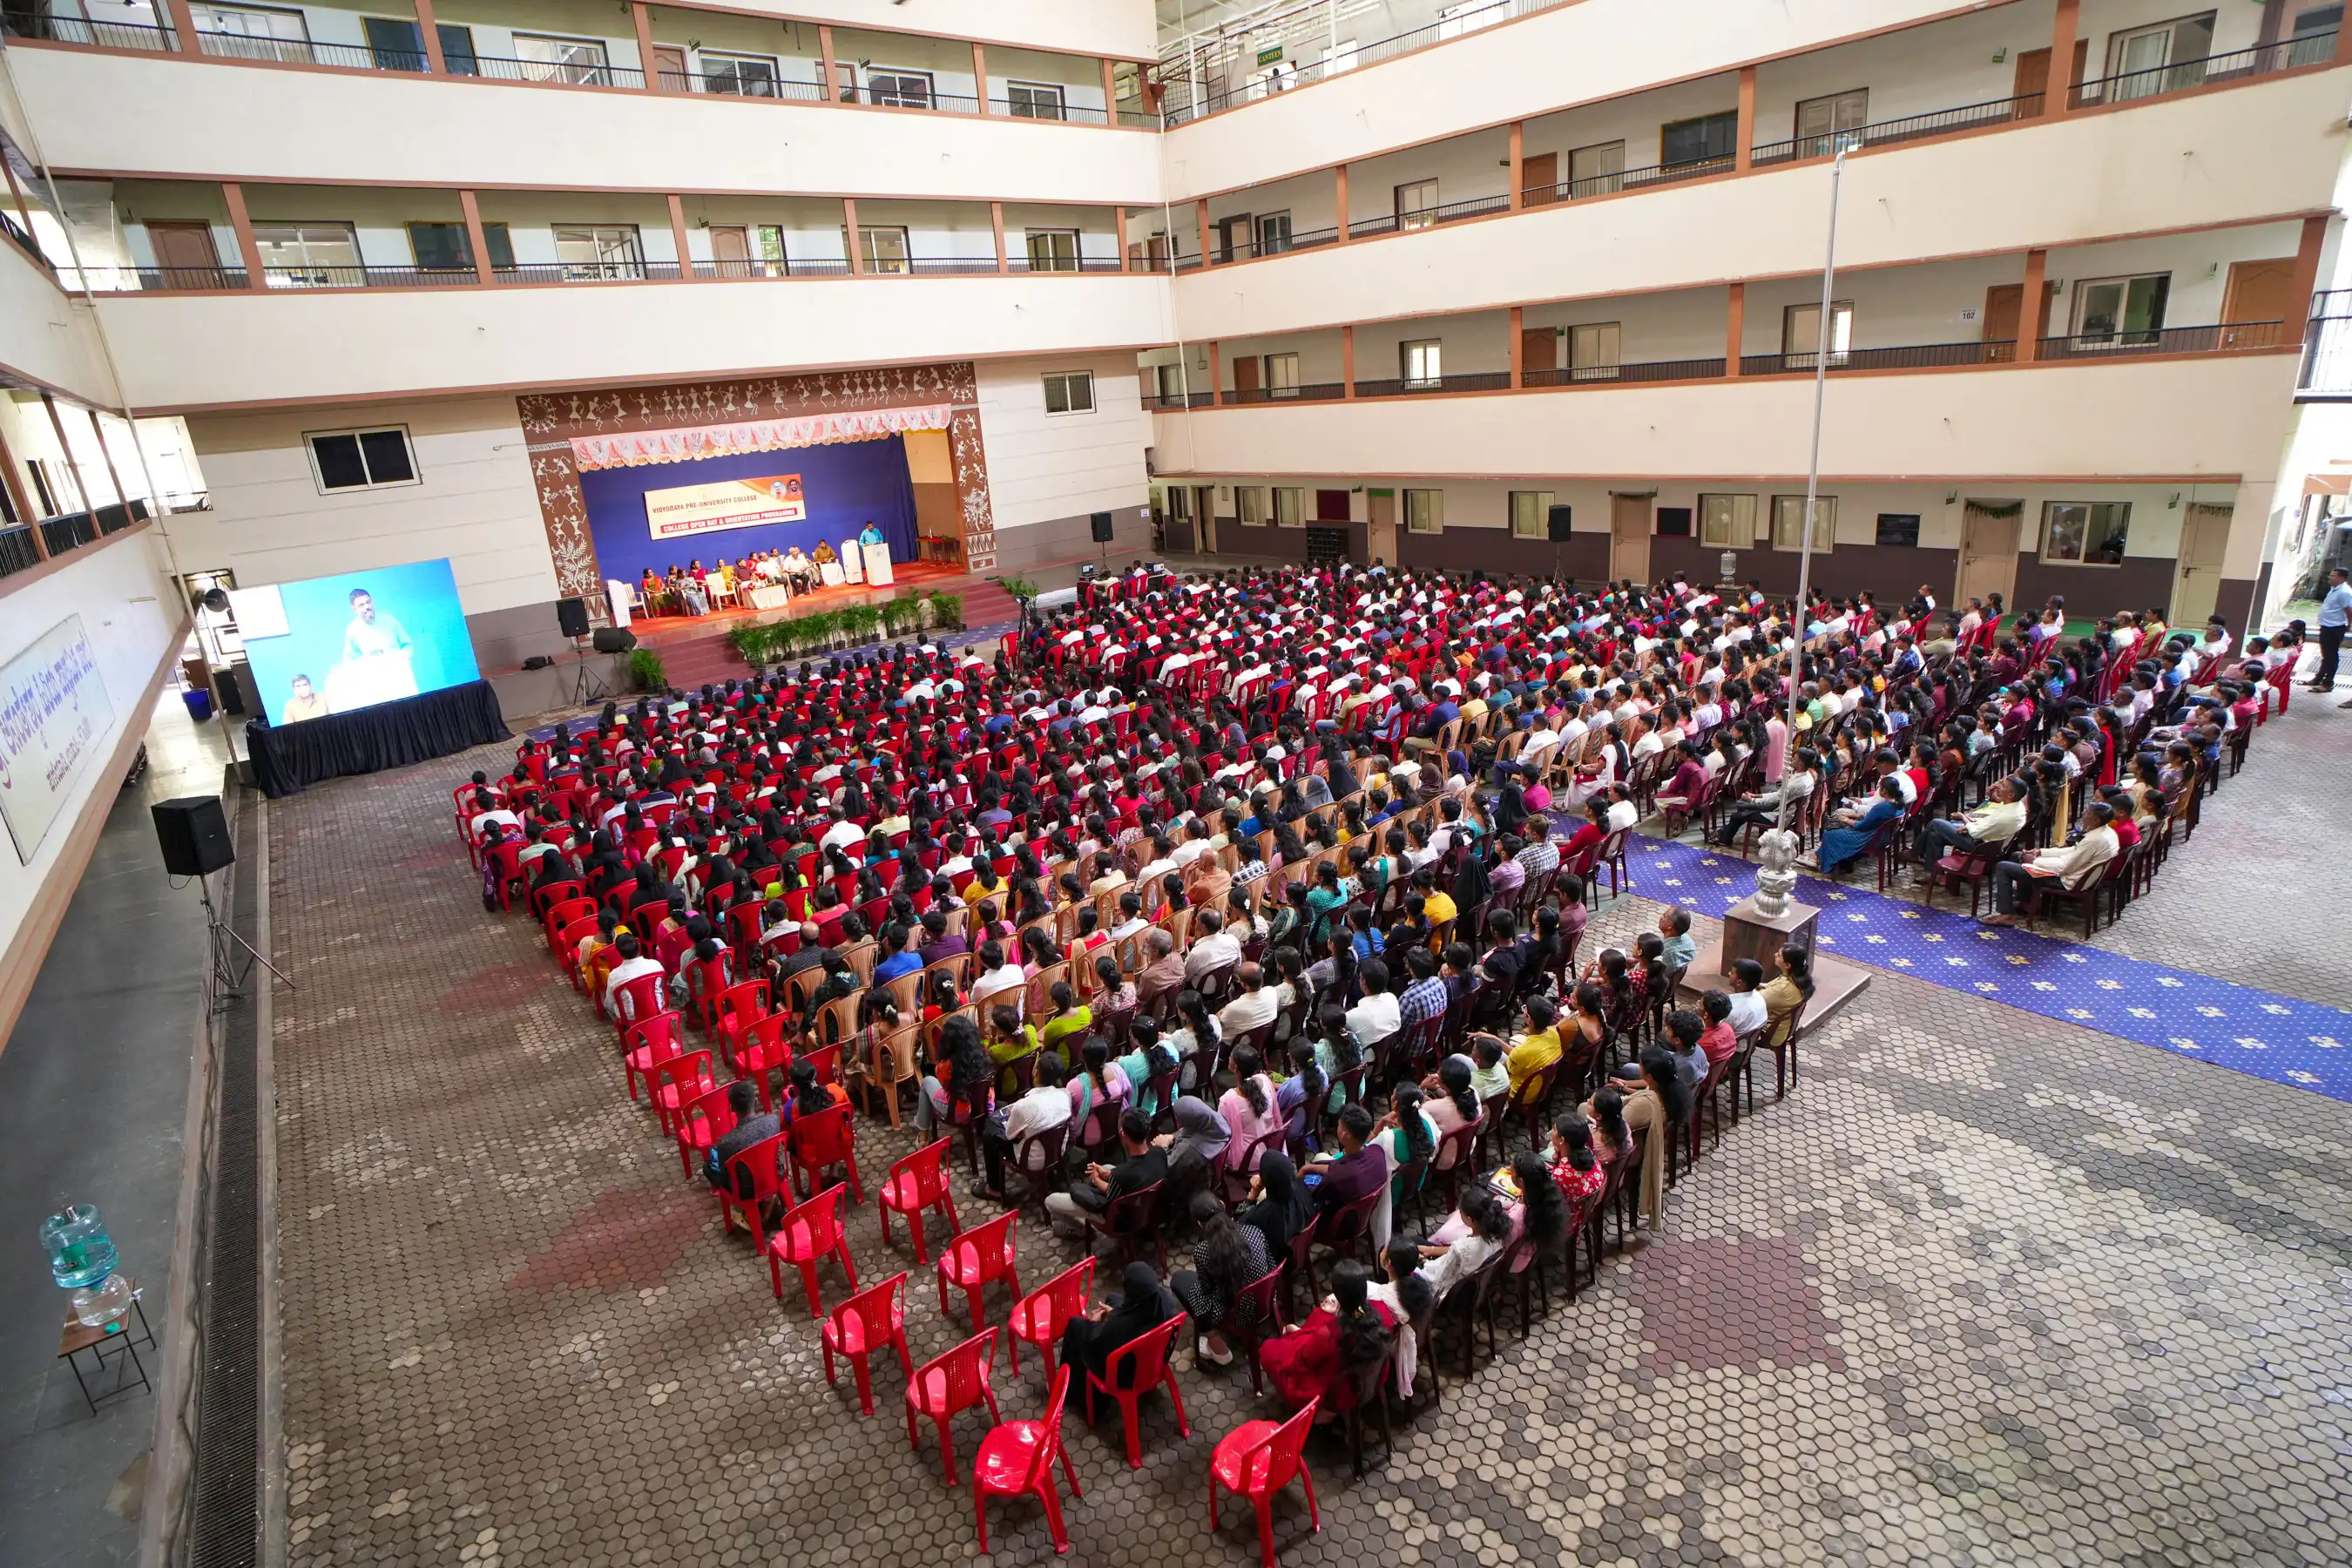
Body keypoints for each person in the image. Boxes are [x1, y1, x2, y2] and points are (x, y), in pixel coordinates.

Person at [1258, 1259, 1396, 1422]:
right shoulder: (1382, 1313)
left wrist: (1299, 1333)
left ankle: (1323, 1412)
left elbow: (1304, 1360)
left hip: (1340, 1392)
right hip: (1369, 1382)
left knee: (1270, 1350)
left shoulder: (1330, 1333)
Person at [1169, 1190, 1273, 1368]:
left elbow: (1206, 1290)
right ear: (1223, 1206)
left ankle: (1215, 1342)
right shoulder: (1253, 1230)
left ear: (1200, 1224)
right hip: (1266, 1300)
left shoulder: (1203, 1252)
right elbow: (1270, 1264)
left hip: (1236, 1314)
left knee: (1181, 1282)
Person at [1983, 801, 2120, 927]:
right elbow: (2074, 850)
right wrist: (2039, 852)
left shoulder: (2094, 840)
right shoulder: (2107, 832)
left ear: (2096, 820)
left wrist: (2035, 861)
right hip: (2074, 871)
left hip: (2067, 880)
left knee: (2002, 867)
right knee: (2016, 856)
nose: (2084, 814)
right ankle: (2026, 902)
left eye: (2087, 813)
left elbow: (2065, 868)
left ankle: (2006, 915)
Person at [1044, 1106, 1166, 1241]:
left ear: (1124, 1136)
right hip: (1149, 1209)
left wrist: (1096, 1179)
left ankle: (1081, 1230)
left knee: (1050, 1200)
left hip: (1119, 1218)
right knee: (1107, 1167)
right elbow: (1127, 1176)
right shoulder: (1159, 1153)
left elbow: (1110, 1193)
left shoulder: (1123, 1173)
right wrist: (1107, 1174)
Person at [1058, 1260, 1181, 1389]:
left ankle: (1066, 1386)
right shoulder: (1165, 1302)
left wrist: (1093, 1323)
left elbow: (1095, 1341)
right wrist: (1114, 1313)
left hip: (1126, 1373)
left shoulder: (1117, 1328)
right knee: (1113, 1298)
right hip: (1154, 1358)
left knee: (1075, 1324)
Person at [973, 1051, 1071, 1201]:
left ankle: (994, 1189)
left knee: (990, 1134)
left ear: (1035, 1073)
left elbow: (1010, 1134)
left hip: (1031, 1160)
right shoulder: (1066, 1095)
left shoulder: (1023, 1106)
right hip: (1058, 1151)